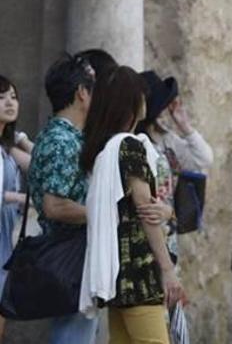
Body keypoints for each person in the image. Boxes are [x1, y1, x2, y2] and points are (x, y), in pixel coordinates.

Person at [79, 66, 185, 344]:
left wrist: (166, 210)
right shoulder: (130, 146)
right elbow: (146, 212)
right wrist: (167, 270)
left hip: (118, 278)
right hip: (140, 274)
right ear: (130, 101)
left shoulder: (104, 149)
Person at [28, 54, 98, 343]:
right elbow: (54, 206)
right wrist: (104, 214)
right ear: (82, 93)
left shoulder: (63, 136)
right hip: (70, 258)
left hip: (72, 256)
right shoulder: (62, 140)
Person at [135, 70, 213, 261]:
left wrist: (184, 125)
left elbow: (203, 159)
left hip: (168, 230)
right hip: (144, 232)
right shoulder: (134, 142)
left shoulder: (166, 138)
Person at [0, 75, 30, 339]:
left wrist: (20, 137)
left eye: (13, 96)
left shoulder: (6, 147)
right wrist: (19, 199)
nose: (10, 102)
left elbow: (39, 164)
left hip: (4, 245)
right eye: (1, 98)